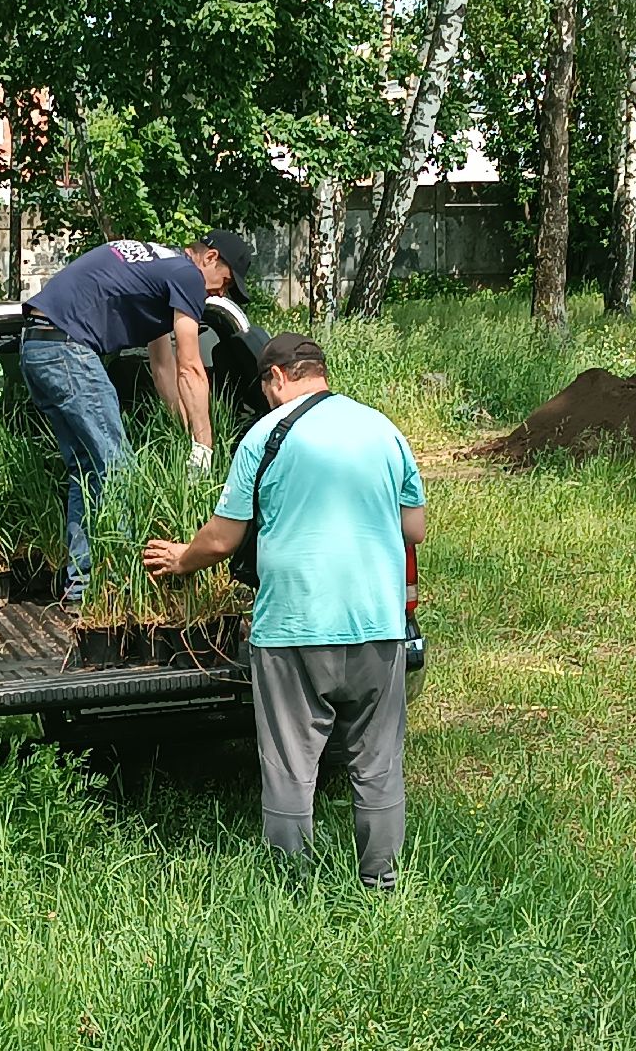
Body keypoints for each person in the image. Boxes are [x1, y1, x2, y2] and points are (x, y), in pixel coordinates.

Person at [142, 332, 427, 889]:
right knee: (377, 763)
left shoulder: (265, 436)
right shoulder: (384, 429)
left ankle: (291, 889)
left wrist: (181, 559)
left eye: (266, 387)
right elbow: (412, 528)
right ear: (319, 371)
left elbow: (224, 540)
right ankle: (381, 882)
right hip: (377, 624)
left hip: (293, 628)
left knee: (292, 767)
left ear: (276, 378)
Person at [21, 230, 255, 601]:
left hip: (37, 346)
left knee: (88, 472)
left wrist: (185, 432)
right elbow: (189, 366)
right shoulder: (188, 276)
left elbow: (162, 367)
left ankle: (82, 587)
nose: (219, 294)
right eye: (225, 283)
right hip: (68, 350)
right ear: (210, 258)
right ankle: (121, 588)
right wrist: (205, 442)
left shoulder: (160, 268)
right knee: (118, 471)